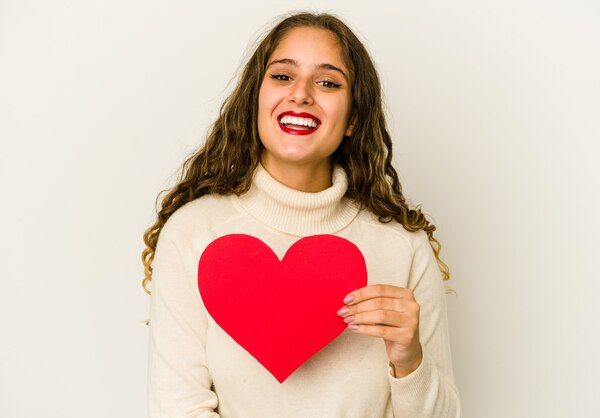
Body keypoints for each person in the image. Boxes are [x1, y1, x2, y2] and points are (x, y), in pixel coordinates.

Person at [142, 12, 460, 418]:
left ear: (354, 119)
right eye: (282, 76)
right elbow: (177, 408)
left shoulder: (404, 247)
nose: (301, 94)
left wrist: (409, 360)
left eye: (328, 82)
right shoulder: (192, 232)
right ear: (255, 98)